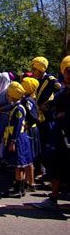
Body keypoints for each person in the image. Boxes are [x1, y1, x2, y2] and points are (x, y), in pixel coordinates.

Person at [33, 56, 70, 210]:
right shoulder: (65, 89)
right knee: (57, 162)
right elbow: (55, 101)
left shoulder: (52, 81)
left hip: (62, 129)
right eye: (67, 71)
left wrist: (64, 114)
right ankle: (53, 198)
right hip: (62, 132)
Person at [1, 82, 32, 198]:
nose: (8, 97)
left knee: (18, 165)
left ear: (13, 96)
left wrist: (13, 141)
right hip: (18, 138)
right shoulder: (17, 107)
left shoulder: (18, 109)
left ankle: (18, 190)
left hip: (18, 139)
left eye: (8, 95)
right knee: (21, 165)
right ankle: (20, 188)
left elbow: (18, 126)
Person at [20, 77, 40, 192]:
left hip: (30, 131)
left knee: (29, 157)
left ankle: (31, 182)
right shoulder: (26, 99)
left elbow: (34, 118)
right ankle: (26, 180)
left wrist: (25, 126)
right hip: (28, 130)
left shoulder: (28, 100)